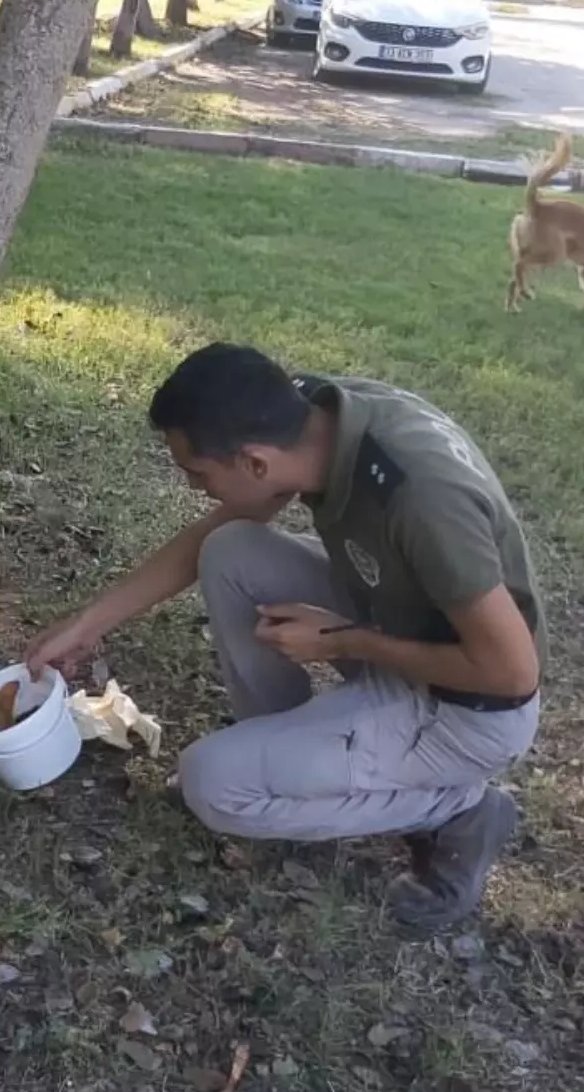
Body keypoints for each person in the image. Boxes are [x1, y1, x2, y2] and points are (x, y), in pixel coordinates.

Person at [27, 344, 545, 932]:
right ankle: (290, 750)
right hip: (396, 618)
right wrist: (84, 626)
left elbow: (512, 674)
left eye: (197, 475)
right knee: (228, 551)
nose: (196, 490)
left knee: (212, 785)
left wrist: (345, 641)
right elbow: (206, 539)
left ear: (253, 463)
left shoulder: (422, 499)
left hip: (467, 710)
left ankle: (461, 809)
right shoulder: (315, 414)